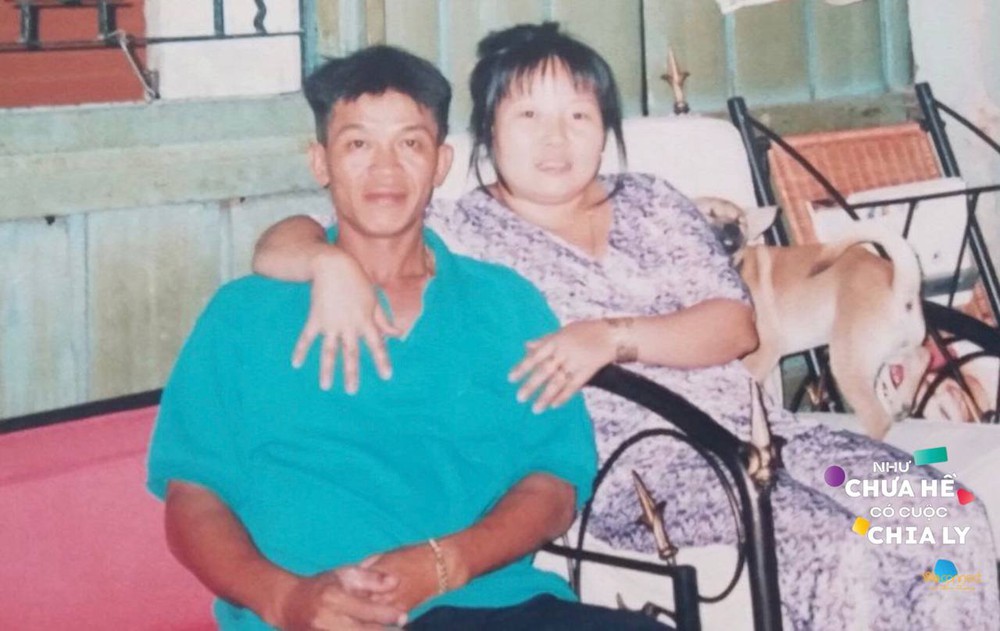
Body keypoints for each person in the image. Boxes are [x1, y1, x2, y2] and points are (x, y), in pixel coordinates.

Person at [253, 23, 999, 631]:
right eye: (529, 116)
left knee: (947, 522)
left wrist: (612, 336)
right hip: (648, 475)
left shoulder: (650, 199)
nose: (556, 139)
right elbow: (279, 245)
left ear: (603, 128)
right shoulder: (459, 232)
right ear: (489, 131)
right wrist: (330, 266)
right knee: (842, 550)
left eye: (578, 116)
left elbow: (734, 326)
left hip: (775, 441)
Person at [147, 45, 670, 631]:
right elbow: (193, 496)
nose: (386, 169)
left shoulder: (504, 303)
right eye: (358, 144)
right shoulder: (244, 314)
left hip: (492, 605)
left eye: (410, 144)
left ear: (441, 163)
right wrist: (284, 599)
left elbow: (553, 482)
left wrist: (443, 564)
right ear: (320, 162)